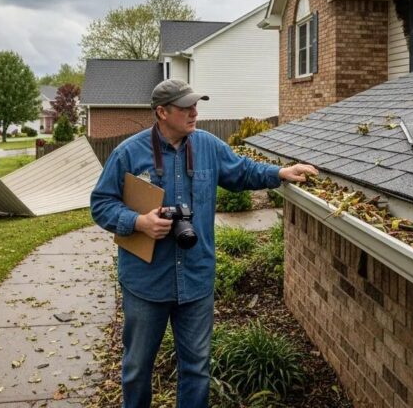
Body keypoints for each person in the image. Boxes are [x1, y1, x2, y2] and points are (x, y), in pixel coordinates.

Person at [90, 79, 317, 408]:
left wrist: (280, 172)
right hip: (145, 282)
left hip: (196, 280)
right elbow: (100, 204)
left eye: (196, 105)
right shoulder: (128, 153)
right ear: (162, 112)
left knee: (196, 369)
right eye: (186, 107)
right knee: (137, 368)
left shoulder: (209, 146)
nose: (195, 112)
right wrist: (139, 222)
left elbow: (243, 171)